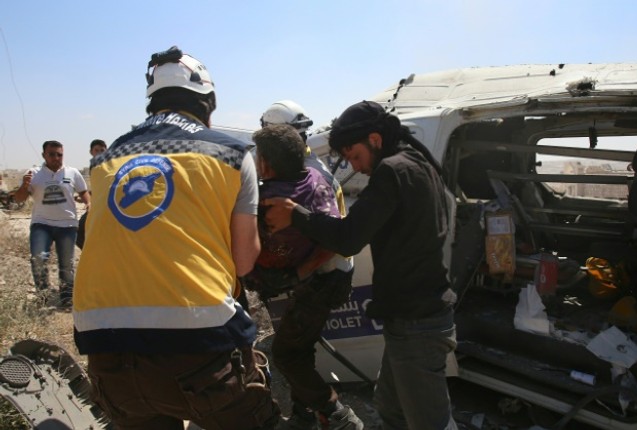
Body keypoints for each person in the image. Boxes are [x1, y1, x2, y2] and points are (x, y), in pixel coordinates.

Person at [72, 46, 281, 430]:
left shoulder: (105, 161)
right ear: (209, 104)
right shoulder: (232, 154)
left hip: (107, 357)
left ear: (152, 104)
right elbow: (245, 260)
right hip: (201, 350)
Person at [264, 101, 459, 430]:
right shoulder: (418, 162)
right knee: (390, 407)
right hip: (412, 318)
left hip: (418, 323)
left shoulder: (392, 171)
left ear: (375, 139)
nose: (357, 167)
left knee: (431, 422)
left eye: (355, 156)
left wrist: (294, 213)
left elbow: (348, 237)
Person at [243, 124, 361, 430]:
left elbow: (330, 242)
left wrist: (296, 273)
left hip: (318, 281)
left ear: (265, 163)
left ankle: (336, 414)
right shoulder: (316, 178)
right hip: (326, 277)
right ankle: (304, 413)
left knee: (285, 353)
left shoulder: (269, 199)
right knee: (299, 346)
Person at [14, 140, 90, 308]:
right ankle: (43, 296)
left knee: (66, 263)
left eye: (59, 154)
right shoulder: (33, 173)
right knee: (38, 260)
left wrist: (88, 204)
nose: (56, 158)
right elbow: (19, 199)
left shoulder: (73, 172)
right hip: (42, 224)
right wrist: (24, 186)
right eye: (52, 154)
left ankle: (67, 298)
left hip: (68, 225)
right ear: (44, 155)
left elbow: (84, 192)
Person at [76, 139, 107, 249]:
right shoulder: (93, 167)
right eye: (96, 150)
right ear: (91, 152)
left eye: (102, 150)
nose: (99, 153)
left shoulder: (107, 166)